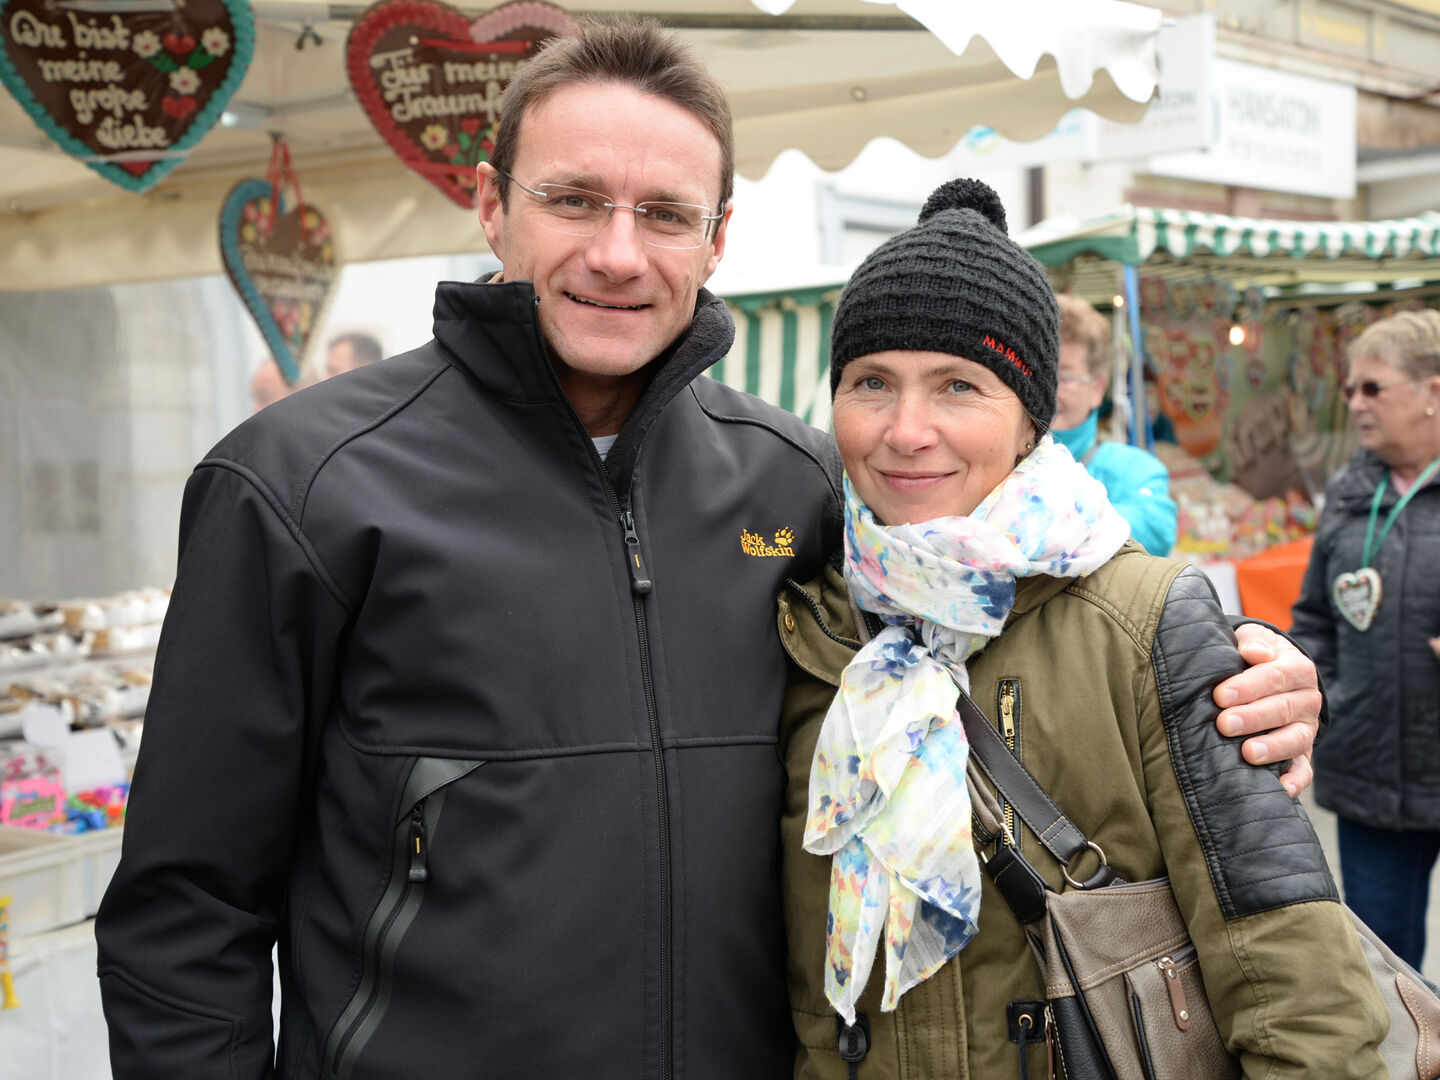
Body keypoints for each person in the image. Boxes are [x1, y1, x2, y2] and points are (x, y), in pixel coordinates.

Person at [96, 19, 1321, 1080]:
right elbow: (186, 908)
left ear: (718, 237)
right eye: (574, 200)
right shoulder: (301, 485)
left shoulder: (789, 479)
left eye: (665, 215)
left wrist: (1243, 684)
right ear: (489, 203)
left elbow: (989, 638)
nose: (618, 253)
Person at [777, 180, 1386, 1078]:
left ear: (1032, 417)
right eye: (872, 383)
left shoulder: (1145, 621)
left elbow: (1291, 977)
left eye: (958, 386)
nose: (906, 430)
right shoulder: (803, 618)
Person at [1291, 308, 1440, 970]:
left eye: (1373, 387)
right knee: (1386, 969)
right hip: (1369, 771)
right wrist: (1328, 701)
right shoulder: (1350, 493)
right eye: (1351, 388)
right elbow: (1314, 620)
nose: (1355, 403)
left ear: (1432, 390)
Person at [1051, 292, 1177, 554]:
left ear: (1097, 388)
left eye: (1064, 377)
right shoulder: (995, 462)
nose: (1048, 391)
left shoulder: (1133, 469)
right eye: (1038, 375)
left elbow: (1157, 529)